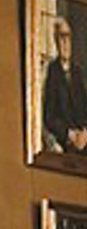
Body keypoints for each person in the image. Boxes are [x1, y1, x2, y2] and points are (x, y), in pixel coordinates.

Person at [42, 15, 87, 153]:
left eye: (68, 37)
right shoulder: (53, 72)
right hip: (64, 143)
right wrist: (70, 134)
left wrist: (85, 132)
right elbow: (49, 117)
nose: (65, 43)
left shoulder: (78, 72)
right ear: (56, 41)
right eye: (62, 37)